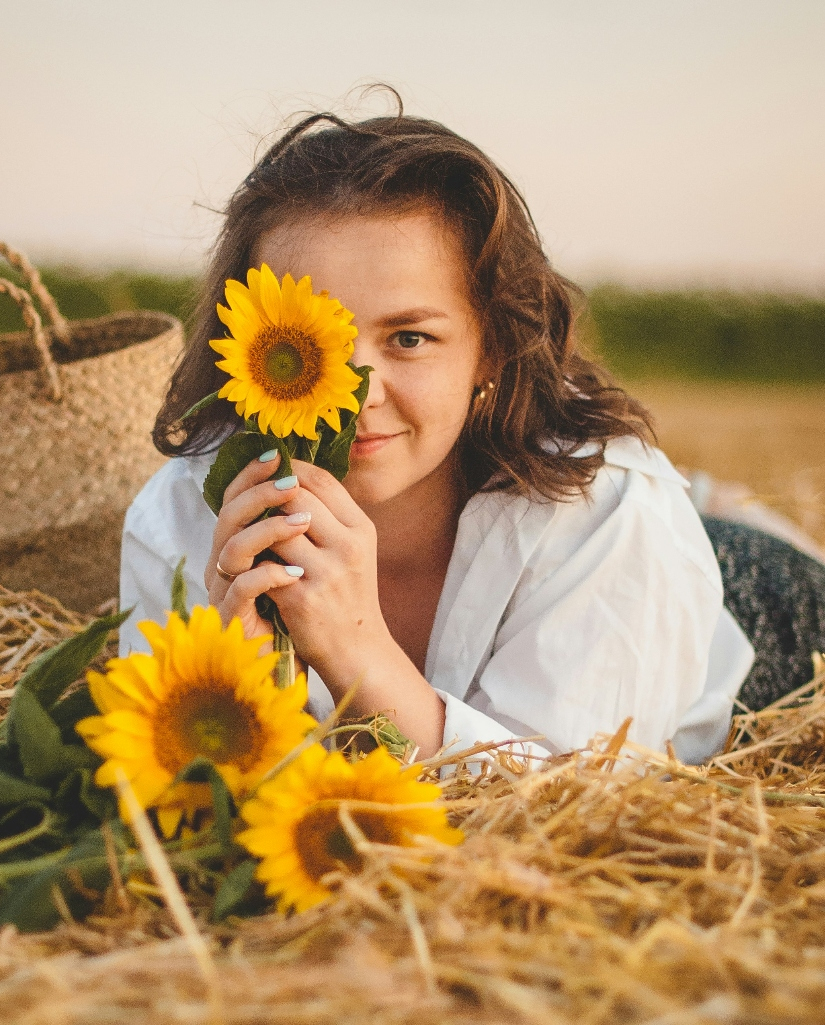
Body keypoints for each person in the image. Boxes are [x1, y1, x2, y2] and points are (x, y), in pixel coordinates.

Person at [119, 106, 824, 764]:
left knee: (700, 529)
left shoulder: (608, 513)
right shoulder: (177, 520)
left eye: (409, 337)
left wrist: (354, 645)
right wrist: (242, 684)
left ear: (490, 346)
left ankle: (713, 510)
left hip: (757, 610)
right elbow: (184, 778)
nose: (354, 396)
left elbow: (562, 799)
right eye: (305, 344)